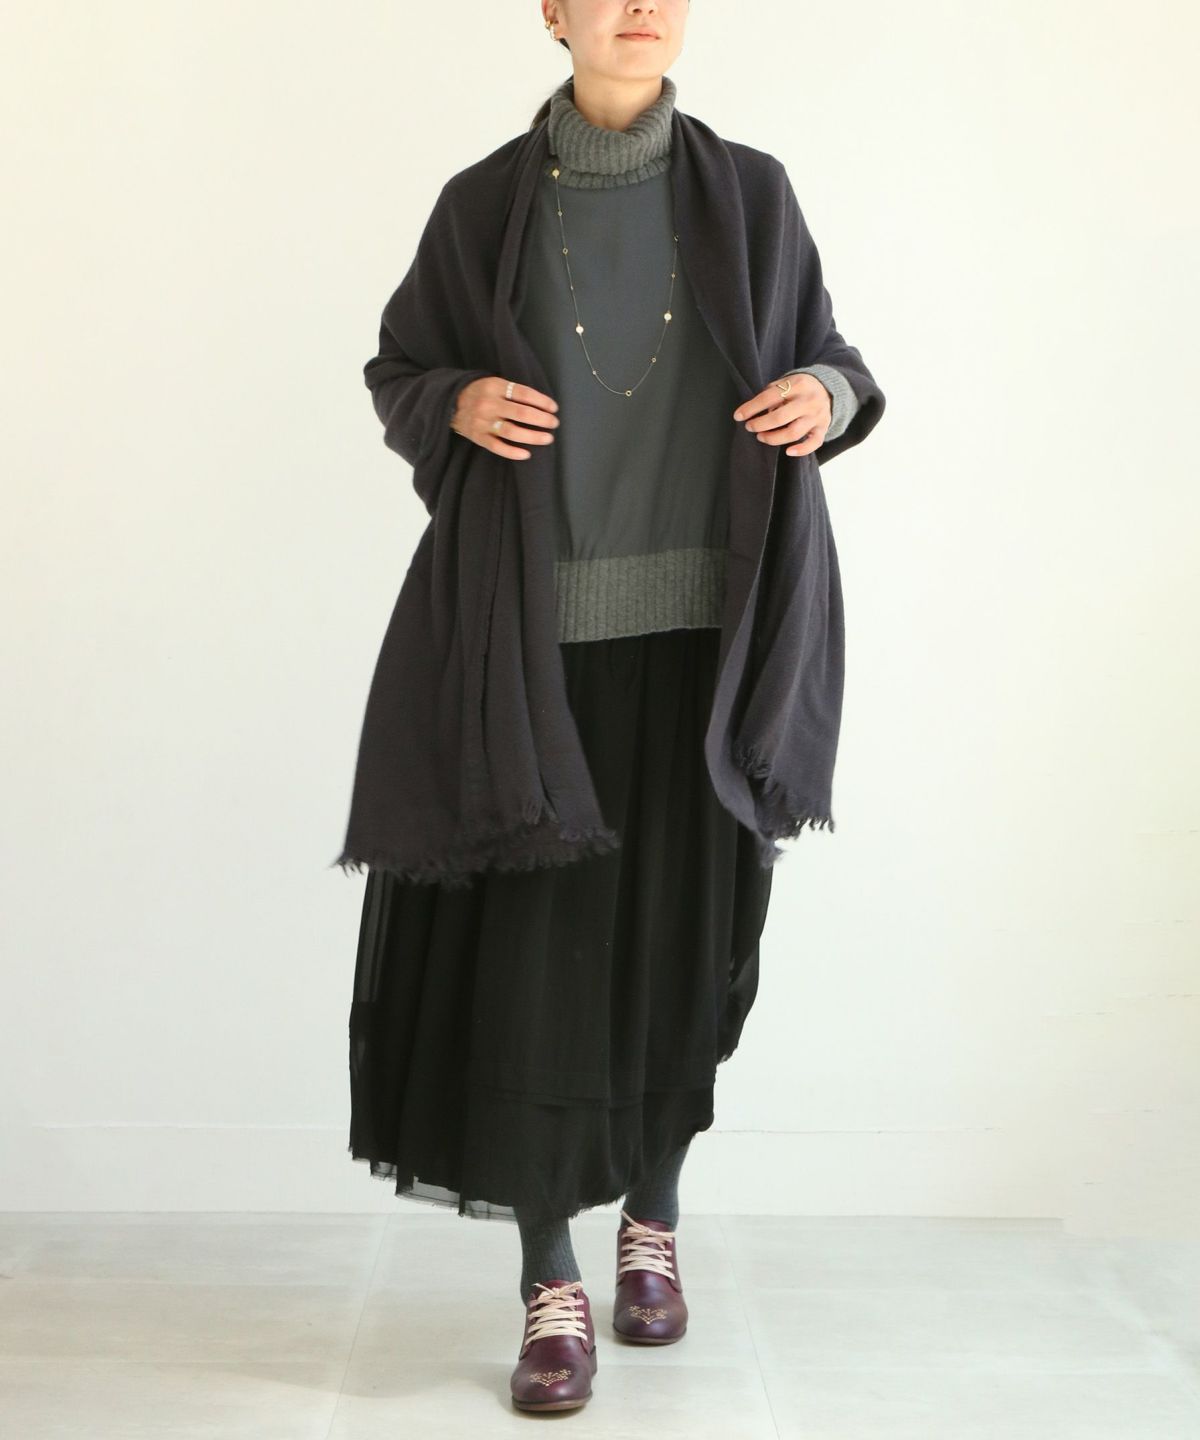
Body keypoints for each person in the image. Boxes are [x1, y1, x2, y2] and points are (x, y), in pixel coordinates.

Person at [343, 0, 884, 1414]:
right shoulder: (483, 205)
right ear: (554, 13)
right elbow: (401, 370)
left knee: (686, 954)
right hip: (535, 643)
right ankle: (551, 1281)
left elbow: (838, 359)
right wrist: (457, 401)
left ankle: (654, 1217)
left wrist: (823, 397)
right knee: (537, 972)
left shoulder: (752, 193)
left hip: (714, 640)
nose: (642, 7)